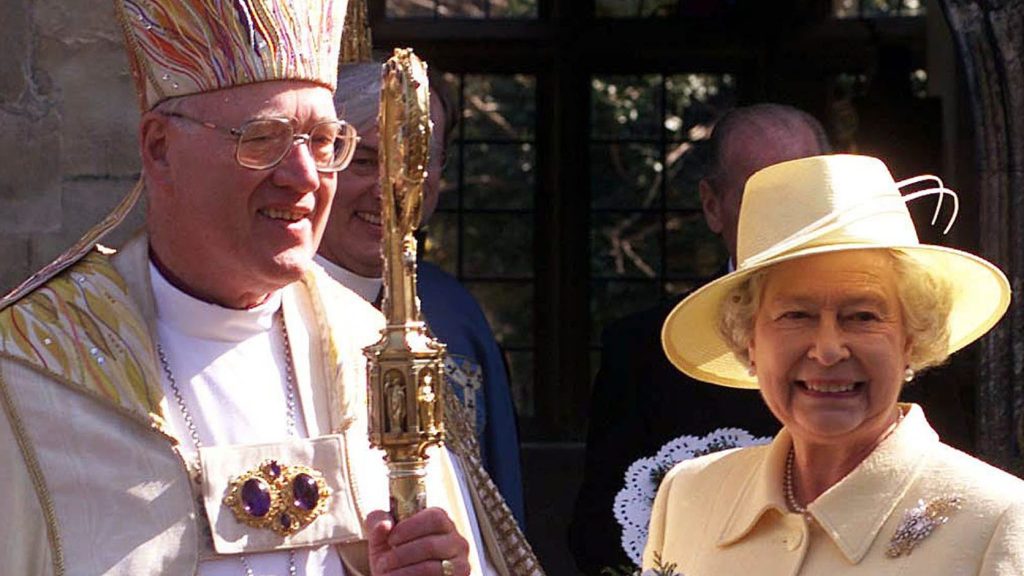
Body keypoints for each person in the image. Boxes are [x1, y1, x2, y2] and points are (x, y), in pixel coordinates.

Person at [0, 2, 479, 574]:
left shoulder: (371, 351)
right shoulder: (28, 367)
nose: (303, 177)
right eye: (264, 138)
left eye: (324, 142)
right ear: (159, 148)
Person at [645, 154, 1024, 574]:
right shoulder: (689, 495)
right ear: (749, 340)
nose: (828, 350)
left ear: (911, 340)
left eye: (862, 316)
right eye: (796, 315)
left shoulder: (998, 521)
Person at [569, 104, 831, 572]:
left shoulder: (887, 345)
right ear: (713, 205)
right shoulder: (642, 352)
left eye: (802, 190)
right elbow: (600, 535)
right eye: (761, 195)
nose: (787, 215)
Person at [316, 62, 527, 528]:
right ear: (318, 162)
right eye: (366, 160)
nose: (390, 188)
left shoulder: (455, 313)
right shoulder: (268, 305)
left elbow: (498, 502)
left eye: (413, 161)